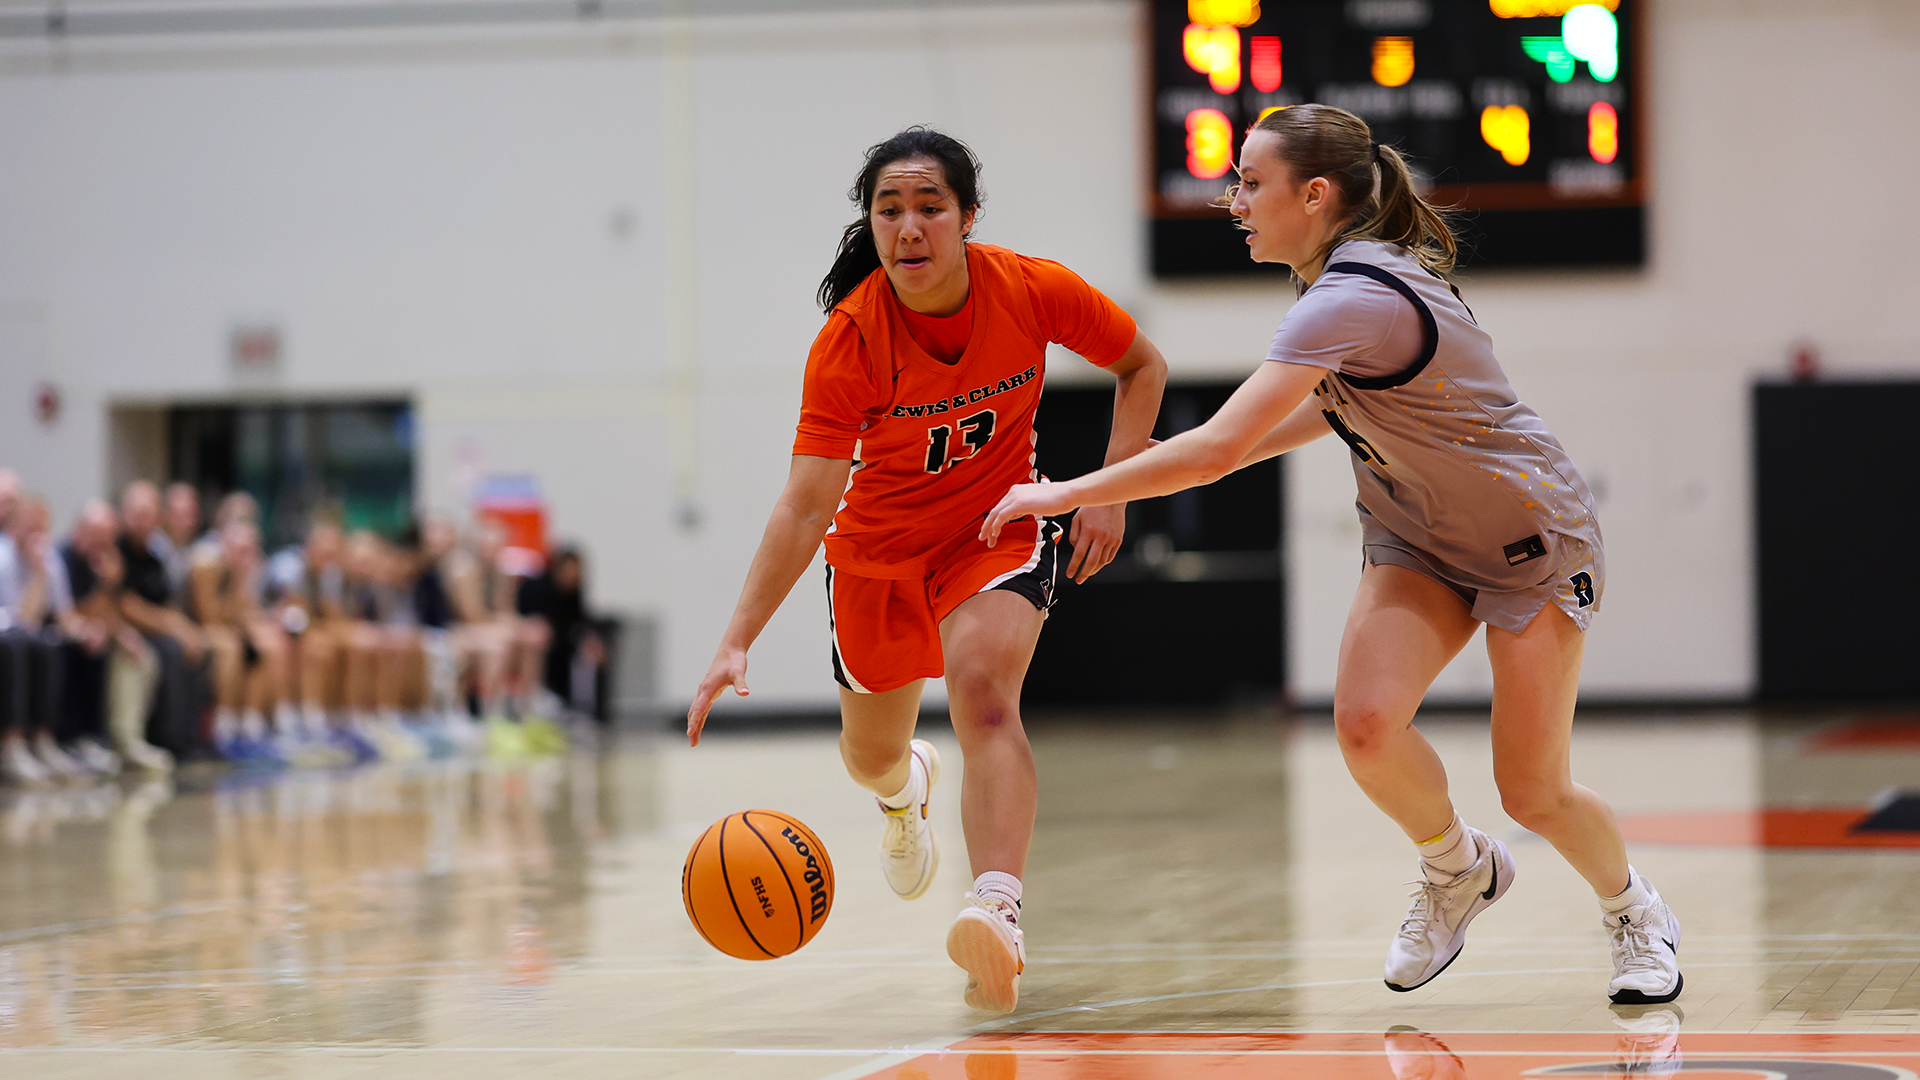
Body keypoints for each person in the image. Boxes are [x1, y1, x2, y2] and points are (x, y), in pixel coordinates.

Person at [980, 105, 1681, 1006]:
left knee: (1533, 790)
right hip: (1418, 535)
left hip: (1529, 542)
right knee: (1364, 726)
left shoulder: (1351, 295)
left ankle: (1634, 911)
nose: (1232, 200)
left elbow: (1219, 448)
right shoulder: (1342, 286)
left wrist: (1064, 490)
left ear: (1314, 196)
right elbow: (1328, 412)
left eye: (1248, 182)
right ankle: (1457, 867)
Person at [685, 127, 1167, 1014]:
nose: (909, 227)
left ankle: (997, 910)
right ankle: (905, 792)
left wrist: (1108, 492)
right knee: (868, 758)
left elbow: (1142, 364)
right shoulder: (850, 340)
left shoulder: (1029, 288)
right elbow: (804, 506)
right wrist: (736, 639)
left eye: (929, 207)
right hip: (875, 559)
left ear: (967, 217)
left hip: (996, 529)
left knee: (983, 692)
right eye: (889, 210)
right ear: (871, 225)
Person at [118, 481, 212, 764]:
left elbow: (165, 601)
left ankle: (192, 736)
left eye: (148, 514)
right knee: (171, 652)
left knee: (201, 648)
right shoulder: (119, 550)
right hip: (130, 630)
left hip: (156, 628)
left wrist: (188, 631)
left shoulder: (153, 555)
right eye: (137, 513)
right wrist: (175, 628)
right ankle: (168, 739)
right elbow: (128, 606)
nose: (143, 521)